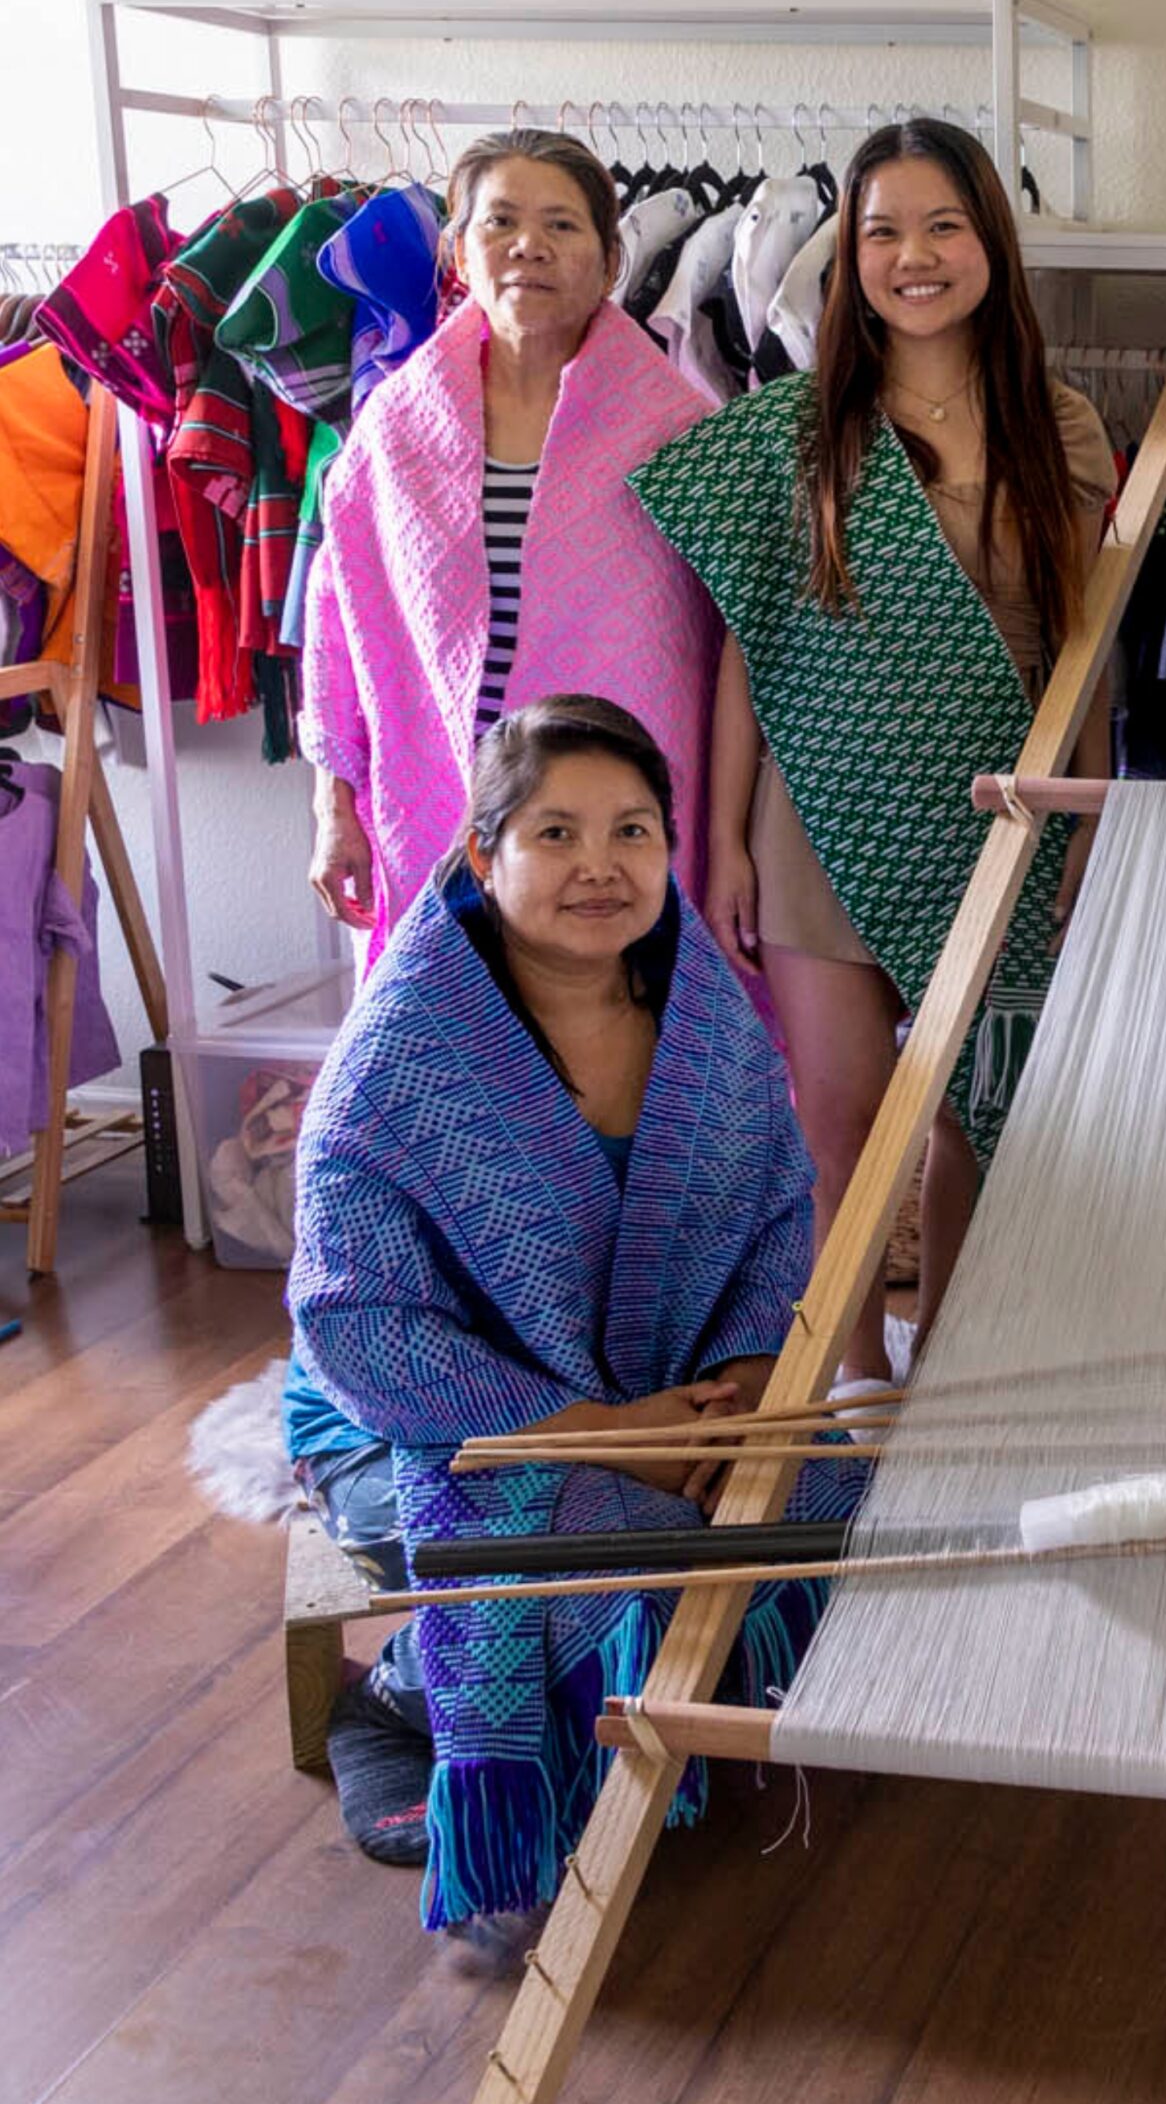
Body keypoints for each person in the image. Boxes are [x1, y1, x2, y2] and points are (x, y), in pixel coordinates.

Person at [289, 696, 863, 1948]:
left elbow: (776, 1203)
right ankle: (402, 1705)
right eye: (556, 831)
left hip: (665, 1387)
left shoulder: (701, 1011)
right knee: (622, 1545)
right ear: (483, 852)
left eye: (634, 830)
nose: (600, 866)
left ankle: (666, 1722)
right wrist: (604, 1430)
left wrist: (748, 1373)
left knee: (840, 1490)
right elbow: (355, 1321)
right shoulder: (404, 1053)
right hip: (415, 1422)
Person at [630, 119, 1115, 1387]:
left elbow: (1087, 646)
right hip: (818, 822)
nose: (914, 256)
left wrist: (1088, 815)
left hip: (1002, 811)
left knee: (975, 1113)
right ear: (848, 258)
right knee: (838, 1117)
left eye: (943, 226)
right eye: (882, 231)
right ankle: (848, 1374)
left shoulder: (1060, 426)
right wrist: (726, 838)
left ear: (990, 248)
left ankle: (953, 1358)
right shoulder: (788, 431)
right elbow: (753, 650)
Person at [302, 130, 721, 966]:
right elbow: (339, 625)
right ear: (460, 252)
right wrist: (332, 807)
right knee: (456, 1052)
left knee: (615, 1050)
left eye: (563, 226)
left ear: (610, 265)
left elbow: (728, 653)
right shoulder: (393, 431)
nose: (529, 245)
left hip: (616, 820)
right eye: (500, 223)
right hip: (446, 806)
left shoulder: (682, 433)